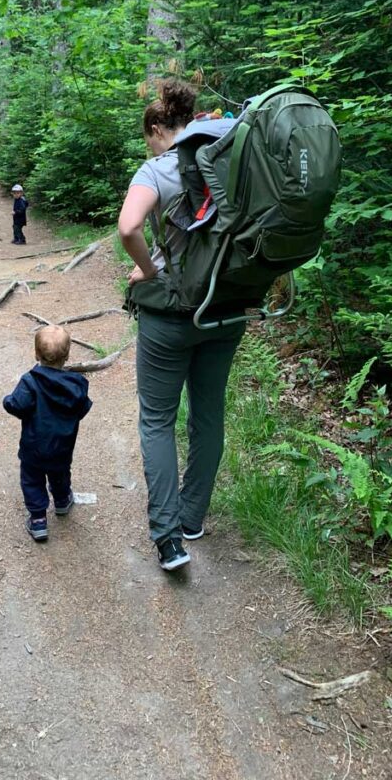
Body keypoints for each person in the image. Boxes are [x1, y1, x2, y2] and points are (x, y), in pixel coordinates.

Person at [117, 78, 246, 572]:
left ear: (156, 128)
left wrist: (148, 270)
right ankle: (193, 517)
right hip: (226, 308)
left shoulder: (157, 167)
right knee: (208, 415)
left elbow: (129, 229)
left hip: (171, 315)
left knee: (157, 420)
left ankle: (170, 539)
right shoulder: (230, 157)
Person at [2, 325, 92, 541]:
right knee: (60, 473)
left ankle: (38, 520)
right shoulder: (76, 384)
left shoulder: (30, 381)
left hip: (34, 447)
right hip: (62, 445)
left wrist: (7, 400)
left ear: (36, 354)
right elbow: (82, 408)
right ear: (67, 356)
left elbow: (16, 405)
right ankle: (62, 502)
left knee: (32, 480)